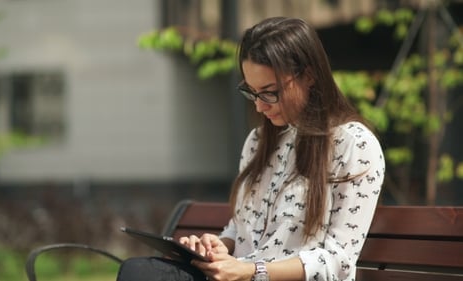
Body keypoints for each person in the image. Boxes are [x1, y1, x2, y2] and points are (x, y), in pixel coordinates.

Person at [116, 16, 385, 281]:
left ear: (310, 75)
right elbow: (240, 229)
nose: (259, 106)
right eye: (252, 92)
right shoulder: (258, 141)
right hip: (239, 276)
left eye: (269, 92)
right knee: (141, 271)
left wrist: (251, 271)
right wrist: (220, 246)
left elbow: (339, 261)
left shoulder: (354, 145)